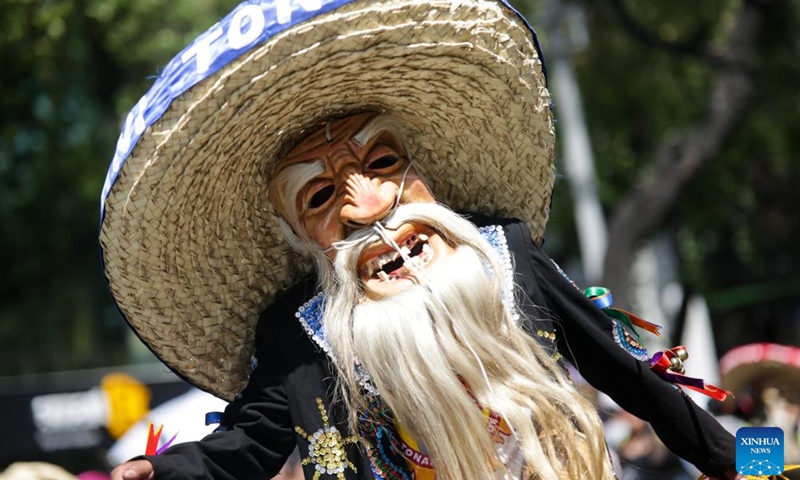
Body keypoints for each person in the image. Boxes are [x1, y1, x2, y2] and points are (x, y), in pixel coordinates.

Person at [99, 0, 739, 479]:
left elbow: (636, 378)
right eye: (321, 197)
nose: (369, 208)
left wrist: (763, 464)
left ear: (422, 170)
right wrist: (163, 471)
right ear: (299, 238)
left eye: (382, 164)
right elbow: (247, 444)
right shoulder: (299, 337)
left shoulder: (504, 255)